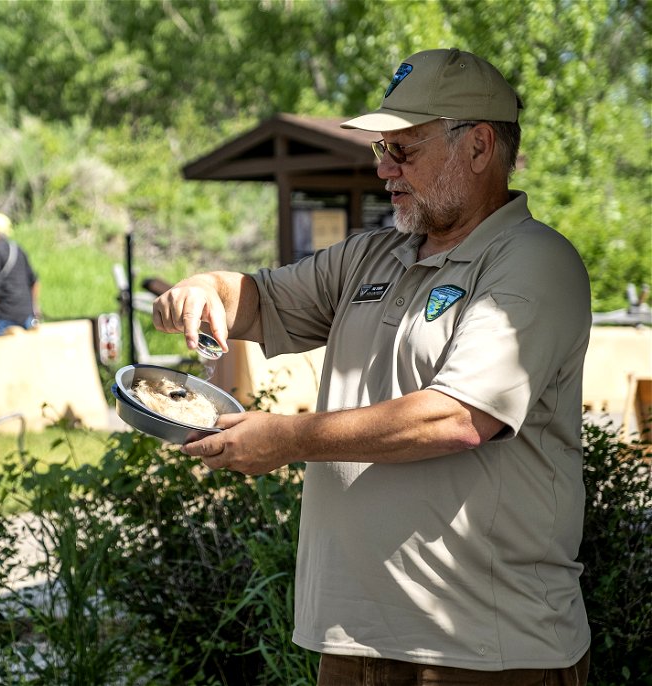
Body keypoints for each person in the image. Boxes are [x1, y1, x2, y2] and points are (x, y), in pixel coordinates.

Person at [153, 48, 591, 684]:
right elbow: (258, 299)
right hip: (356, 643)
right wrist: (203, 289)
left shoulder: (533, 262)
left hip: (485, 649)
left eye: (403, 150)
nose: (384, 167)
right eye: (379, 149)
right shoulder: (373, 256)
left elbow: (457, 419)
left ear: (478, 147)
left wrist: (288, 438)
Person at [0, 212, 41, 334]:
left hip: (4, 314)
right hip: (26, 313)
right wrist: (34, 307)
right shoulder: (18, 249)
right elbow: (34, 281)